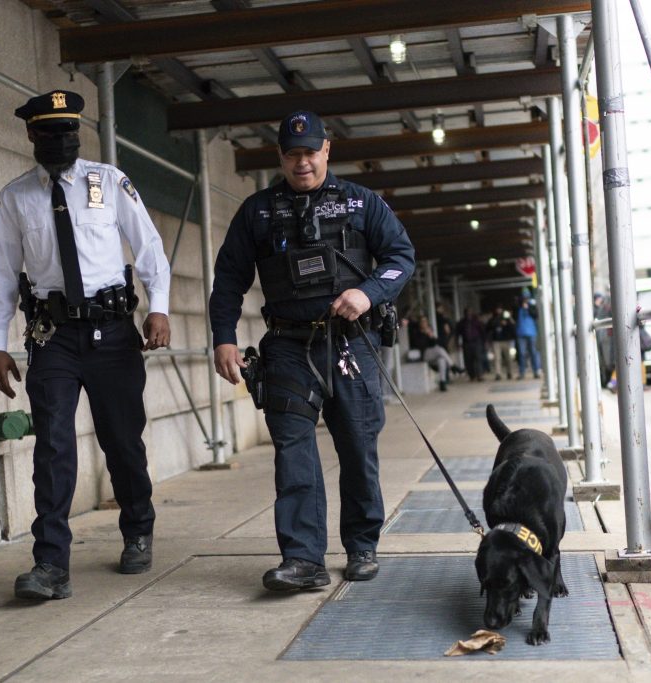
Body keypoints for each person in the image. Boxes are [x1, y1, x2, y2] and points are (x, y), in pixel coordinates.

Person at [209, 110, 415, 591]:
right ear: (281, 157)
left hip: (349, 342)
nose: (302, 162)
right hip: (286, 346)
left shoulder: (362, 204)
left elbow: (401, 257)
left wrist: (368, 293)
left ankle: (362, 545)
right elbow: (229, 280)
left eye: (311, 152)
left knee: (358, 445)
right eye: (292, 154)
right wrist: (222, 336)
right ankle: (303, 560)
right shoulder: (257, 212)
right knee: (292, 449)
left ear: (327, 151)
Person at [0, 89, 172, 600]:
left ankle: (137, 527)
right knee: (54, 447)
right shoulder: (16, 197)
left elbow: (148, 244)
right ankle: (50, 565)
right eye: (50, 132)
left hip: (113, 333)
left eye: (69, 131)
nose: (61, 140)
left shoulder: (108, 182)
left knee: (121, 439)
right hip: (53, 337)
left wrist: (159, 306)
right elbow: (0, 275)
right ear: (31, 134)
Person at [409, 316, 457, 391]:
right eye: (422, 322)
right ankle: (453, 366)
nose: (424, 323)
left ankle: (442, 382)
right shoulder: (417, 333)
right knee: (439, 349)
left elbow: (435, 343)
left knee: (441, 360)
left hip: (432, 356)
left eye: (425, 321)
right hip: (424, 355)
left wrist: (431, 336)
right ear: (419, 323)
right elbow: (420, 345)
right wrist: (424, 335)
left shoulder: (429, 331)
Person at [485, 306, 516, 381]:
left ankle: (510, 372)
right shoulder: (493, 318)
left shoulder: (507, 318)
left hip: (506, 340)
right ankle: (498, 374)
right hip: (496, 341)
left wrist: (508, 320)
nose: (498, 311)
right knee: (497, 358)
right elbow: (488, 327)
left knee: (508, 358)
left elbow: (513, 326)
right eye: (497, 309)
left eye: (500, 309)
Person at [456, 308, 487, 381]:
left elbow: (482, 331)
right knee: (468, 360)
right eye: (467, 313)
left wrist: (484, 341)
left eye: (470, 313)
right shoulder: (462, 323)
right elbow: (457, 333)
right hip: (466, 343)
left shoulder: (476, 321)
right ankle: (472, 375)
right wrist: (457, 343)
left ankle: (480, 375)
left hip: (476, 342)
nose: (468, 314)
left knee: (478, 358)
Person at [515, 297, 542, 379]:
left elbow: (536, 315)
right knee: (522, 354)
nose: (525, 302)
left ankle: (536, 371)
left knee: (533, 353)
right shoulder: (518, 309)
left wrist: (528, 308)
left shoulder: (532, 308)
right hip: (521, 334)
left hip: (531, 333)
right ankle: (522, 372)